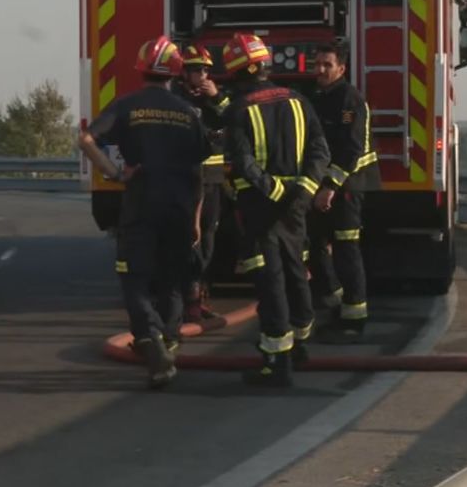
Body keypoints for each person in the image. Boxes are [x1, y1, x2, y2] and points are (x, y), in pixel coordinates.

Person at [79, 36, 211, 389]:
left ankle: (151, 341)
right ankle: (167, 342)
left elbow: (86, 139)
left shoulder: (127, 106)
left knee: (134, 278)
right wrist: (197, 218)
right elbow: (200, 172)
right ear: (175, 72)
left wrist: (113, 172)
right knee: (171, 279)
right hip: (180, 207)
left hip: (141, 204)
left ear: (141, 68)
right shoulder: (189, 113)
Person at [222, 32, 330, 387]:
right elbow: (320, 151)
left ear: (237, 71)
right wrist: (304, 189)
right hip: (297, 203)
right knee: (296, 268)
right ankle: (300, 343)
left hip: (260, 206)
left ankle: (276, 363)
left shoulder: (239, 109)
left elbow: (242, 162)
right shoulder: (300, 100)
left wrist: (274, 189)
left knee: (270, 281)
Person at [308, 42, 379, 343]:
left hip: (347, 186)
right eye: (318, 64)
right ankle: (335, 300)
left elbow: (351, 148)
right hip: (324, 187)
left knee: (346, 249)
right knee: (315, 244)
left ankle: (354, 318)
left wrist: (331, 186)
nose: (320, 70)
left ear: (341, 68)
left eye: (327, 64)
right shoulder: (319, 98)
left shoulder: (349, 100)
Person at [173, 43, 232, 322]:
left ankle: (200, 294)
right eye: (197, 70)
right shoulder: (176, 98)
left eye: (207, 70)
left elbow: (237, 119)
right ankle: (187, 298)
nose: (203, 75)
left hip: (214, 179)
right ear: (184, 72)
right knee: (189, 239)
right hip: (187, 179)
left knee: (209, 236)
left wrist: (217, 97)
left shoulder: (216, 97)